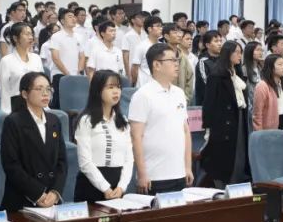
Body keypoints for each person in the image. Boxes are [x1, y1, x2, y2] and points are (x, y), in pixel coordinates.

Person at [128, 43, 193, 194]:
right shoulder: (142, 95)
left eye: (177, 60)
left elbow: (185, 131)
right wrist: (142, 174)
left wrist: (187, 167)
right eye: (172, 60)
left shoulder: (179, 93)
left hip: (179, 173)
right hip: (154, 176)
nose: (177, 64)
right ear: (156, 65)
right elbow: (136, 136)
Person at [0, 71, 67, 211]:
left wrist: (55, 192)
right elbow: (11, 165)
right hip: (22, 200)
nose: (45, 93)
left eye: (48, 89)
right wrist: (38, 194)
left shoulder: (54, 120)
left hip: (51, 200)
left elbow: (62, 161)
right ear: (25, 94)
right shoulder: (13, 121)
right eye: (39, 89)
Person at [73, 70, 133, 202]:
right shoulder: (86, 120)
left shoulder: (123, 121)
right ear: (98, 90)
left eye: (118, 87)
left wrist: (122, 187)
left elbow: (129, 159)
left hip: (117, 185)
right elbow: (85, 162)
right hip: (91, 185)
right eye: (110, 87)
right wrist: (105, 188)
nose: (116, 91)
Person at [200, 41, 249, 186]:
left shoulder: (237, 73)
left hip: (238, 117)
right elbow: (208, 103)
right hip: (222, 123)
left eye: (241, 52)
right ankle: (224, 186)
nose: (240, 56)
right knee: (225, 159)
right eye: (237, 52)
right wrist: (208, 127)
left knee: (240, 153)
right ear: (228, 53)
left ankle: (237, 184)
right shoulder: (216, 75)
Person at [0, 22, 44, 113]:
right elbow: (5, 90)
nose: (30, 37)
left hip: (37, 105)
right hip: (16, 107)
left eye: (31, 34)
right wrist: (7, 111)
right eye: (27, 34)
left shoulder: (37, 58)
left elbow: (43, 84)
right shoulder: (6, 61)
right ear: (15, 38)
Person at [252, 54, 283, 134]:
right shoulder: (262, 86)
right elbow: (257, 114)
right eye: (280, 64)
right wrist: (259, 134)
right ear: (271, 67)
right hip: (269, 129)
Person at [129, 15, 163, 87]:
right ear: (149, 29)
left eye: (161, 26)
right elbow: (134, 68)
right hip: (144, 84)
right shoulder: (141, 46)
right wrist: (135, 82)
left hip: (159, 83)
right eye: (158, 26)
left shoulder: (163, 46)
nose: (161, 28)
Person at [194, 30, 222, 105]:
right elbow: (207, 83)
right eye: (216, 41)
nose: (219, 44)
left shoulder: (223, 60)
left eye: (220, 41)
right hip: (207, 104)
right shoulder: (203, 62)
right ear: (208, 45)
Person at [121, 10, 148, 75]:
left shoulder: (146, 35)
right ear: (133, 20)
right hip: (132, 69)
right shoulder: (127, 36)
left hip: (145, 69)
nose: (142, 19)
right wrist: (128, 73)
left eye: (143, 17)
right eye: (139, 18)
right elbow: (125, 56)